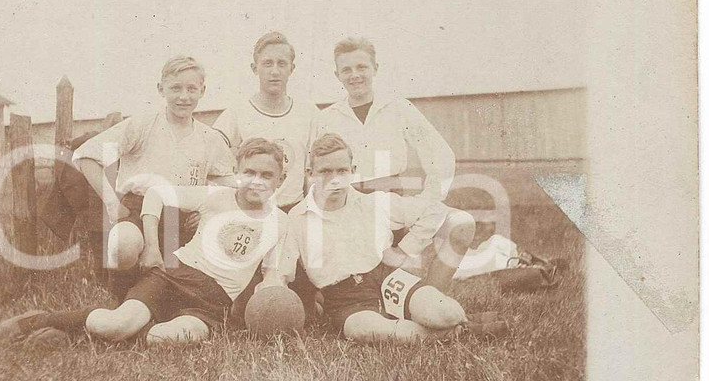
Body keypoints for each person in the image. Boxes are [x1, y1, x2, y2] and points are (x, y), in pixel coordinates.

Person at [0, 138, 289, 345]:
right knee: (116, 324)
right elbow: (158, 193)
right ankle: (39, 320)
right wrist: (154, 246)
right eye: (249, 172)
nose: (256, 180)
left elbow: (272, 271)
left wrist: (271, 294)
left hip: (213, 303)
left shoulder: (280, 222)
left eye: (267, 174)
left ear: (280, 180)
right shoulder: (217, 197)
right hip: (174, 275)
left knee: (165, 339)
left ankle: (72, 335)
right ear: (237, 173)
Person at [265, 133, 503, 343]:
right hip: (344, 297)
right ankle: (461, 331)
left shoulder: (373, 203)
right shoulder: (297, 217)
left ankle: (454, 323)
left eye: (342, 171)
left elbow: (433, 210)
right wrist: (273, 296)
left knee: (445, 313)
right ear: (310, 174)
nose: (335, 179)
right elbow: (283, 271)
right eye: (326, 171)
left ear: (353, 171)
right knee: (366, 330)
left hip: (386, 279)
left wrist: (405, 250)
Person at [308, 37, 475, 290]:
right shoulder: (327, 118)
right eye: (347, 69)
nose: (355, 75)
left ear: (375, 68)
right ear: (337, 74)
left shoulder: (398, 108)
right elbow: (315, 174)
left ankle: (432, 295)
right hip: (348, 210)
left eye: (362, 67)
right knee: (368, 289)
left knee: (460, 225)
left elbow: (439, 155)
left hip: (394, 206)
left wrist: (428, 199)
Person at [61, 56, 234, 294]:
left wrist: (207, 214)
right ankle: (120, 298)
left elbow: (226, 184)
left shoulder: (210, 138)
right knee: (123, 244)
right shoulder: (143, 124)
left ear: (202, 91)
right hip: (137, 212)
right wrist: (113, 205)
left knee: (176, 291)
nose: (184, 96)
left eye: (191, 88)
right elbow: (85, 155)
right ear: (161, 89)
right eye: (175, 88)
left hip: (182, 220)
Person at [212, 31, 315, 209]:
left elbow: (313, 174)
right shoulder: (236, 113)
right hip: (250, 212)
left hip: (293, 210)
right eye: (267, 63)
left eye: (282, 63)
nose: (274, 71)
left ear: (292, 68)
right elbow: (211, 164)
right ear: (255, 68)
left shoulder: (309, 113)